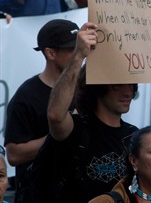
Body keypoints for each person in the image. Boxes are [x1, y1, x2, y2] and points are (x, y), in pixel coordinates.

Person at [47, 22, 138, 202]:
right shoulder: (77, 129)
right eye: (118, 84)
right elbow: (55, 116)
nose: (127, 91)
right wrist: (79, 54)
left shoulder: (134, 135)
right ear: (97, 86)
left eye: (131, 84)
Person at [5, 20, 78, 199]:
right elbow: (13, 154)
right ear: (50, 53)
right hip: (40, 194)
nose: (78, 55)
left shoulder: (84, 88)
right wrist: (61, 130)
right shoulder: (27, 95)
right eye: (71, 50)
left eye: (80, 49)